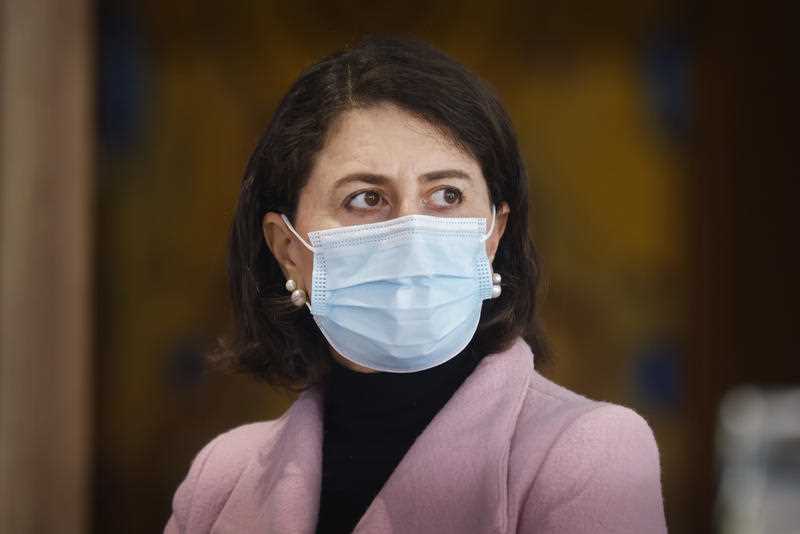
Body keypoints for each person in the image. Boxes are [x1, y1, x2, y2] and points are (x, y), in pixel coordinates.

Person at [164, 35, 667, 534]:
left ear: (493, 236)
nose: (410, 234)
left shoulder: (588, 453)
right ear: (288, 250)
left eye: (447, 194)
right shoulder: (221, 479)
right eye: (365, 199)